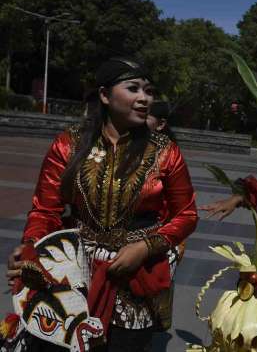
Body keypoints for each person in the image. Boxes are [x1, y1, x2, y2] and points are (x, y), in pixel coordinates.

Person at [4, 57, 198, 351]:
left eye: (149, 91)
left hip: (135, 275)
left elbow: (187, 215)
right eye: (133, 89)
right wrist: (31, 244)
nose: (144, 98)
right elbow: (45, 209)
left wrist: (145, 247)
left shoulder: (165, 151)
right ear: (105, 95)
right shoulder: (68, 144)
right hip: (75, 270)